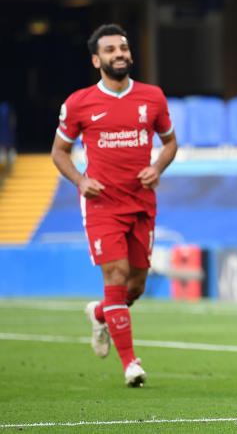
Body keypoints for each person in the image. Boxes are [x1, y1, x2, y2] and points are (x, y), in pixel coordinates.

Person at [50, 24, 178, 387]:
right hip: (102, 203)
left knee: (135, 286)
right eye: (110, 50)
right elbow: (58, 152)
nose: (118, 54)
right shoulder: (79, 103)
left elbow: (170, 143)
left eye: (123, 48)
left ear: (130, 55)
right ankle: (131, 364)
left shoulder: (152, 97)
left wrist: (156, 166)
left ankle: (101, 314)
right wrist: (80, 180)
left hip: (141, 204)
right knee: (116, 276)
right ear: (96, 60)